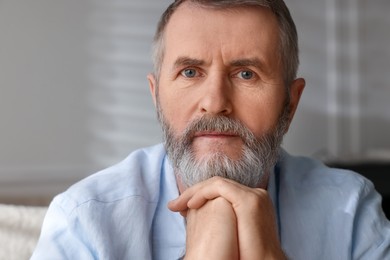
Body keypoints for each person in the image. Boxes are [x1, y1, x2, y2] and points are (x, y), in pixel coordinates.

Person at [32, 0, 390, 259]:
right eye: (190, 72)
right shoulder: (84, 220)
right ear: (156, 97)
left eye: (246, 73)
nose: (215, 102)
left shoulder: (349, 210)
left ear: (290, 104)